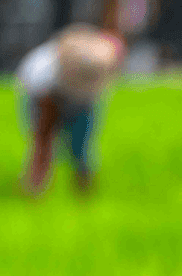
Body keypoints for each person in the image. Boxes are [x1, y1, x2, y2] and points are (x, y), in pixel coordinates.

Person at [16, 24, 124, 196]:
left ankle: (84, 194)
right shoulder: (41, 75)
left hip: (80, 100)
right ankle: (34, 191)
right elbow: (45, 130)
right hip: (46, 97)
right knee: (43, 143)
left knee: (82, 146)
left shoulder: (95, 65)